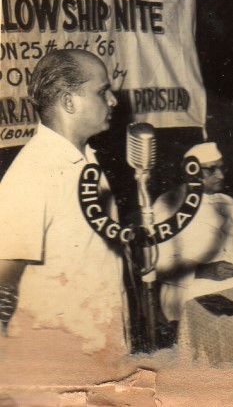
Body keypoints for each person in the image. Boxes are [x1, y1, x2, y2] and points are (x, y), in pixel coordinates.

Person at [0, 49, 135, 384]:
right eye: (102, 91)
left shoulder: (86, 159)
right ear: (69, 102)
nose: (113, 100)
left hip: (100, 348)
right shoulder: (32, 174)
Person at [154, 142, 233, 323]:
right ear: (190, 172)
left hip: (231, 279)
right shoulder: (168, 203)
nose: (220, 175)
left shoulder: (229, 203)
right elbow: (161, 266)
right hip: (187, 287)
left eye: (222, 168)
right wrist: (203, 270)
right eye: (211, 170)